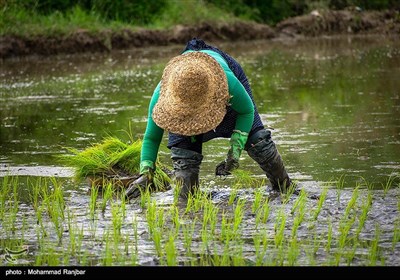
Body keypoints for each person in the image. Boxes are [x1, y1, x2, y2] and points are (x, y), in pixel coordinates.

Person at [125, 38, 291, 200]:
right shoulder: (163, 96)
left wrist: (234, 151)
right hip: (184, 94)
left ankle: (284, 187)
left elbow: (247, 111)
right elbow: (152, 138)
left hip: (220, 83)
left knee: (257, 140)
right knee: (185, 182)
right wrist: (146, 173)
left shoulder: (226, 82)